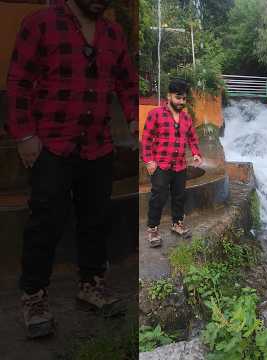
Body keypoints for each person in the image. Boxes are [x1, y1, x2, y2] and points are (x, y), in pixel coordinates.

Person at [6, 0, 138, 338]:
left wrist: (136, 119)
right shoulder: (40, 22)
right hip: (51, 143)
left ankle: (91, 285)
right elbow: (19, 81)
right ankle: (34, 296)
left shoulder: (113, 33)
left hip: (98, 144)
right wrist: (24, 135)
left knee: (96, 219)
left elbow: (125, 81)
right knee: (45, 221)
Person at [142, 78, 203, 248]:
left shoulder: (186, 117)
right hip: (161, 164)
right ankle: (153, 229)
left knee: (179, 196)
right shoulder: (156, 114)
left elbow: (192, 137)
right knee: (158, 197)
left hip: (180, 165)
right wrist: (148, 160)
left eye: (184, 99)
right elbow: (146, 139)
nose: (181, 102)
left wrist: (196, 153)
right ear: (169, 96)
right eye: (178, 98)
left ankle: (177, 224)